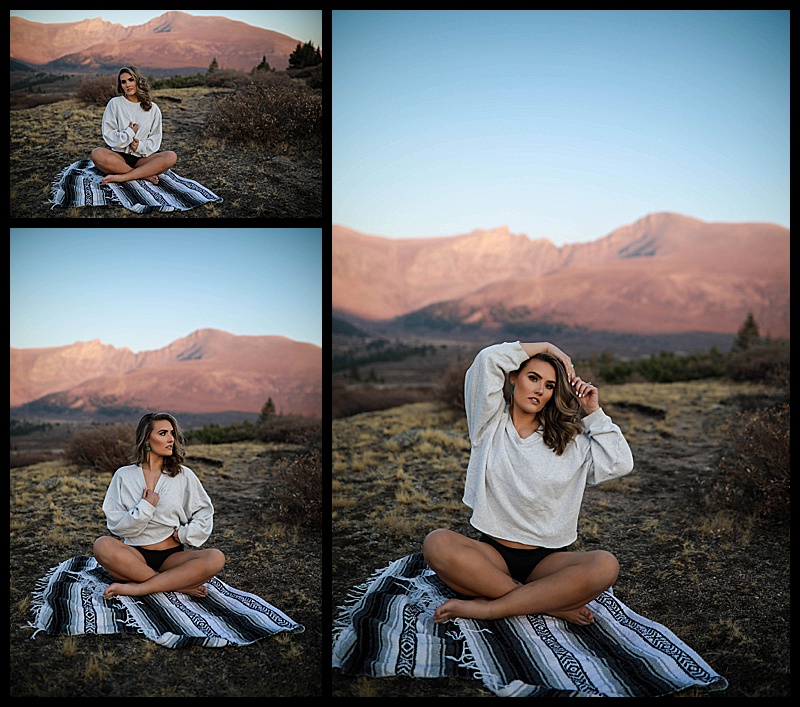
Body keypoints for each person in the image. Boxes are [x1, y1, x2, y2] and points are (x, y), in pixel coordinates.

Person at [423, 341, 634, 626]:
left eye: (549, 385)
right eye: (533, 378)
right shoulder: (489, 425)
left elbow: (620, 463)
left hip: (547, 562)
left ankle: (490, 608)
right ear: (513, 378)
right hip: (492, 556)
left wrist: (594, 412)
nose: (539, 390)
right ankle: (546, 604)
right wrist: (546, 347)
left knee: (606, 565)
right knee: (436, 543)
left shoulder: (568, 441)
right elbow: (487, 359)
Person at [93, 412, 225, 600]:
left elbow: (204, 511)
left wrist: (184, 534)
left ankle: (140, 588)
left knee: (216, 558)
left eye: (172, 433)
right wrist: (146, 506)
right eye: (163, 433)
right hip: (134, 556)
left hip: (172, 558)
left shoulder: (183, 475)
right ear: (147, 438)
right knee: (102, 545)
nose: (171, 439)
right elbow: (116, 524)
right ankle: (175, 585)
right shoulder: (124, 476)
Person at [90, 66, 177, 186]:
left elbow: (156, 139)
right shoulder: (115, 104)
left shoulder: (153, 109)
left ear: (138, 81)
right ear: (120, 85)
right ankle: (144, 175)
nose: (127, 85)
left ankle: (124, 177)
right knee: (97, 153)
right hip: (118, 157)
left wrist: (139, 146)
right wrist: (129, 133)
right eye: (123, 82)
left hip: (142, 159)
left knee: (171, 156)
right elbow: (108, 134)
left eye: (131, 80)